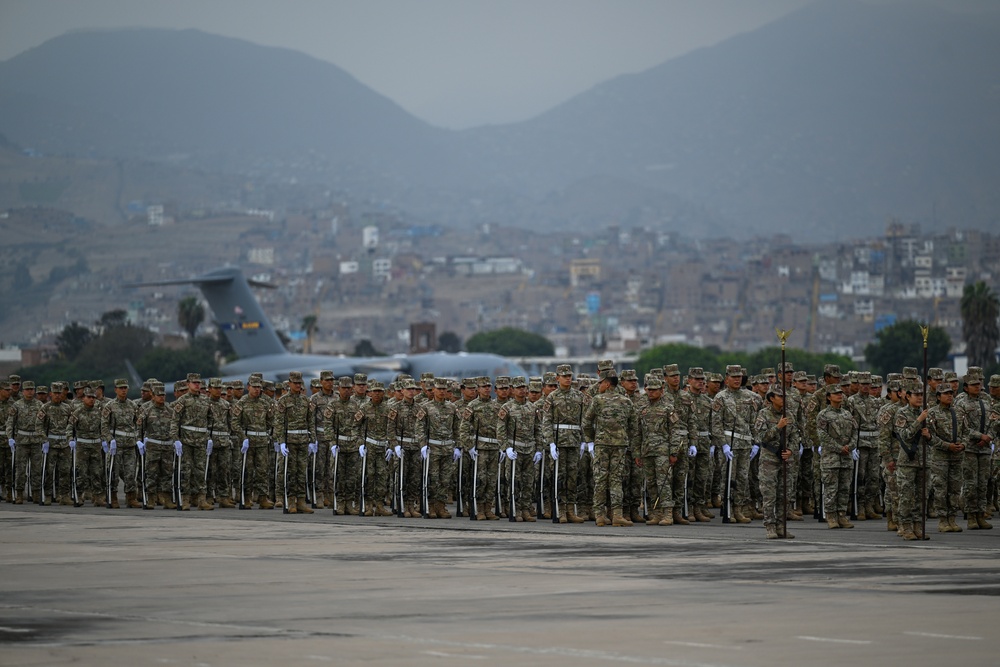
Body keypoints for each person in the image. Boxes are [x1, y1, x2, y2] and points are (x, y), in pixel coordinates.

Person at [583, 369, 639, 527]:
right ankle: (617, 515)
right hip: (620, 446)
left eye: (601, 382)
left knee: (600, 480)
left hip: (602, 445)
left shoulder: (597, 400)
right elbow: (634, 426)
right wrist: (625, 437)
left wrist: (592, 439)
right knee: (616, 480)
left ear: (607, 384)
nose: (599, 385)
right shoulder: (626, 401)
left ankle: (600, 515)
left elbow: (586, 423)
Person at [540, 364, 588, 523]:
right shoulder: (552, 397)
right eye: (564, 376)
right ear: (557, 378)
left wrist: (584, 441)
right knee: (559, 476)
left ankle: (570, 510)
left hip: (574, 441)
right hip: (559, 441)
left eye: (569, 375)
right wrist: (551, 443)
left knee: (573, 477)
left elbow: (584, 421)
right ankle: (560, 510)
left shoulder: (579, 396)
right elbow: (546, 422)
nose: (568, 378)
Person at [753, 383, 797, 538]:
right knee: (769, 495)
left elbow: (794, 436)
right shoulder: (763, 414)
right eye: (780, 396)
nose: (783, 399)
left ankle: (781, 525)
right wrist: (778, 427)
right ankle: (770, 526)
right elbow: (760, 437)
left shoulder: (789, 414)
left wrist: (791, 449)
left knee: (784, 494)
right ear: (772, 398)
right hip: (769, 460)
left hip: (785, 460)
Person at [273, 370, 317, 514]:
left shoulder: (306, 401)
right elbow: (278, 423)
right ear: (290, 383)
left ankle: (302, 501)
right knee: (291, 472)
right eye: (295, 383)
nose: (298, 385)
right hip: (290, 441)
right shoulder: (283, 401)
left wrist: (313, 440)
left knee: (301, 472)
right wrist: (281, 442)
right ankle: (291, 501)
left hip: (303, 441)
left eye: (300, 383)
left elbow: (311, 421)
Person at [816, 383, 858, 529]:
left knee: (844, 488)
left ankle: (842, 515)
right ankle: (831, 516)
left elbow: (855, 433)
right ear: (828, 397)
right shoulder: (823, 415)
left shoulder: (847, 414)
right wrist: (839, 448)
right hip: (831, 458)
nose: (840, 395)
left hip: (846, 458)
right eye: (836, 393)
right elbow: (823, 436)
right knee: (831, 489)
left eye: (841, 393)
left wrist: (850, 446)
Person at [894, 380, 930, 540]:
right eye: (916, 395)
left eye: (921, 395)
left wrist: (929, 435)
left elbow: (933, 437)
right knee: (907, 496)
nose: (919, 398)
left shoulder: (926, 413)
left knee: (921, 497)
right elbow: (904, 435)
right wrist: (918, 421)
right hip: (907, 462)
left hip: (924, 461)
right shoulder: (902, 413)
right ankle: (906, 527)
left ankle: (918, 527)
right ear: (908, 396)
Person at [926, 384, 965, 532]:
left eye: (951, 393)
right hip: (940, 457)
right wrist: (947, 445)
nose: (950, 396)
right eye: (945, 393)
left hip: (956, 456)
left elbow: (966, 431)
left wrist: (964, 445)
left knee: (954, 488)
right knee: (941, 489)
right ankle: (943, 520)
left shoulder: (958, 412)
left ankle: (952, 518)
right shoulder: (932, 413)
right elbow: (930, 437)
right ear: (938, 397)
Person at [231, 377, 274, 509]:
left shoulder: (265, 403)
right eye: (254, 387)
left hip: (261, 442)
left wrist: (266, 432)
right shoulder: (242, 403)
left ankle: (262, 498)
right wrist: (243, 437)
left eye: (258, 387)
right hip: (248, 442)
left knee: (262, 470)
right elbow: (234, 423)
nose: (256, 390)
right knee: (247, 471)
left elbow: (270, 421)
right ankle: (247, 497)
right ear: (248, 387)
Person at [956, 374, 993, 530]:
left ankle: (980, 514)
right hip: (970, 449)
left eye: (978, 384)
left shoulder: (986, 403)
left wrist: (989, 437)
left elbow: (994, 422)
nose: (977, 387)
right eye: (973, 385)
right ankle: (971, 516)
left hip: (984, 449)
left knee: (983, 484)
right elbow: (962, 427)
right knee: (971, 484)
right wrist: (980, 436)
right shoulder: (961, 404)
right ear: (966, 387)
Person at [138, 382, 177, 508]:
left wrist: (176, 440)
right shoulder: (146, 410)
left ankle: (167, 499)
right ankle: (150, 499)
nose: (162, 397)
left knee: (167, 474)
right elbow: (139, 428)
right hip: (153, 447)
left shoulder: (171, 411)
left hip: (167, 447)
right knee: (151, 474)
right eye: (159, 395)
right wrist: (139, 441)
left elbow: (175, 428)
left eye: (163, 395)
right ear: (153, 396)